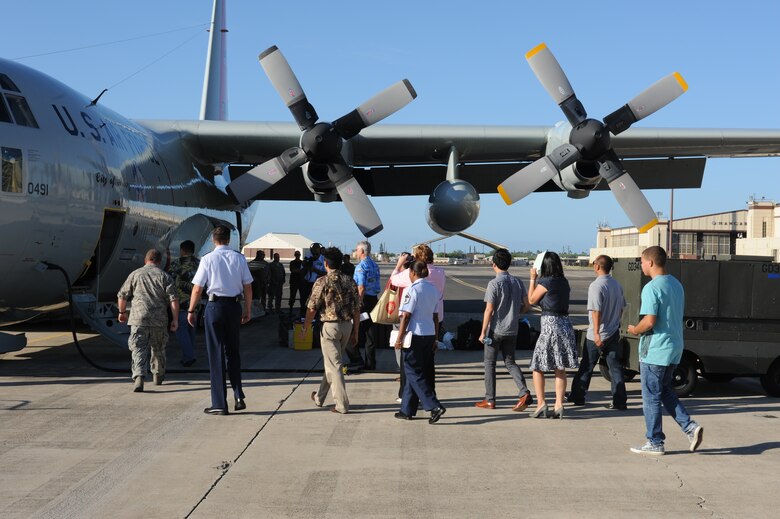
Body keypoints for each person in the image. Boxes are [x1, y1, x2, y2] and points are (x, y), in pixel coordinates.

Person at [627, 246, 703, 455]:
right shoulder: (676, 284)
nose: (641, 265)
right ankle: (690, 427)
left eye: (642, 261)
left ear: (650, 262)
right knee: (666, 391)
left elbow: (649, 321)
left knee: (651, 396)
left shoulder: (652, 287)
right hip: (674, 348)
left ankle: (655, 442)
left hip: (655, 350)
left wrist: (635, 329)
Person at [187, 226, 253, 415]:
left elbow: (197, 289)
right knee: (233, 352)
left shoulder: (207, 259)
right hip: (233, 307)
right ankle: (238, 394)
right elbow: (248, 287)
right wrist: (247, 309)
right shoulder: (239, 258)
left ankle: (219, 404)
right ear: (228, 239)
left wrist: (191, 310)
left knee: (216, 354)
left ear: (213, 240)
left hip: (214, 307)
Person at [301, 247, 360, 414]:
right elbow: (356, 309)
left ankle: (341, 405)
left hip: (330, 327)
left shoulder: (322, 282)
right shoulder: (350, 281)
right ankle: (319, 397)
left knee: (335, 366)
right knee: (332, 363)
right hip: (346, 326)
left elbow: (311, 308)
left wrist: (306, 327)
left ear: (326, 263)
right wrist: (356, 331)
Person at [474, 248, 533, 411]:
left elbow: (489, 310)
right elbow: (527, 306)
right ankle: (524, 392)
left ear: (494, 264)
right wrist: (515, 314)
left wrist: (482, 332)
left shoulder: (494, 284)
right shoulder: (517, 282)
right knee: (510, 362)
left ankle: (490, 399)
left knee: (489, 364)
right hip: (512, 329)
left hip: (495, 330)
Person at [568, 254, 628, 409]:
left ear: (597, 266)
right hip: (613, 331)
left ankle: (578, 396)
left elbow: (596, 311)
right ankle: (619, 401)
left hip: (598, 333)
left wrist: (596, 333)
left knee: (587, 365)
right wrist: (616, 323)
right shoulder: (616, 285)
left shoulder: (596, 286)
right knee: (615, 367)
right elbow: (621, 308)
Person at [117, 249, 179, 392]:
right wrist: (175, 319)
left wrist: (121, 312)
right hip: (159, 320)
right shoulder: (165, 276)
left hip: (138, 318)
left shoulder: (135, 274)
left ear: (145, 260)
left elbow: (122, 295)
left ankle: (139, 377)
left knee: (138, 348)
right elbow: (173, 300)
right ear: (159, 261)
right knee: (158, 348)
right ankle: (157, 375)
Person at [527, 251, 579, 419]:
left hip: (550, 324)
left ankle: (541, 403)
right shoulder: (564, 282)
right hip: (565, 323)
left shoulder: (545, 281)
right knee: (560, 367)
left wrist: (532, 279)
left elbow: (531, 300)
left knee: (537, 366)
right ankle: (559, 404)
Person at [394, 261, 446, 424]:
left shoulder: (412, 290)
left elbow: (406, 316)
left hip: (414, 335)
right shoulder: (433, 290)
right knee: (416, 372)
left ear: (413, 273)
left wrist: (399, 337)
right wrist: (436, 338)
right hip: (429, 333)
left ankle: (433, 405)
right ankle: (407, 409)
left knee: (412, 372)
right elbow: (436, 317)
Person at [390, 244, 445, 391]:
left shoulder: (412, 274)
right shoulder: (440, 272)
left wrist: (400, 263)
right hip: (434, 321)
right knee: (428, 363)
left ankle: (406, 392)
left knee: (409, 363)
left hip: (414, 324)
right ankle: (427, 391)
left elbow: (393, 280)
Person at [168, 239, 200, 367]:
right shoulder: (199, 263)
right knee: (191, 329)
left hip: (180, 302)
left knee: (181, 330)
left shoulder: (176, 263)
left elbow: (169, 280)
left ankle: (189, 356)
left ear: (182, 250)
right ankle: (189, 354)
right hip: (195, 303)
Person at [351, 240, 381, 370]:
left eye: (357, 250)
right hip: (373, 300)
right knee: (370, 333)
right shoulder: (374, 265)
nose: (356, 252)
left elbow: (361, 287)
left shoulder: (361, 266)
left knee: (353, 329)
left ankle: (356, 359)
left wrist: (357, 303)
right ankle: (370, 362)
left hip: (363, 301)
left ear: (362, 251)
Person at [300, 243, 325, 318]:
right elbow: (301, 273)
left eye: (316, 253)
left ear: (320, 251)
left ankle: (317, 317)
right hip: (307, 284)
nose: (315, 254)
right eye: (313, 252)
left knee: (317, 302)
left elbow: (327, 273)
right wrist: (305, 266)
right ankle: (304, 317)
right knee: (305, 302)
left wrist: (315, 270)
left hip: (318, 284)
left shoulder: (323, 259)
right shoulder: (307, 258)